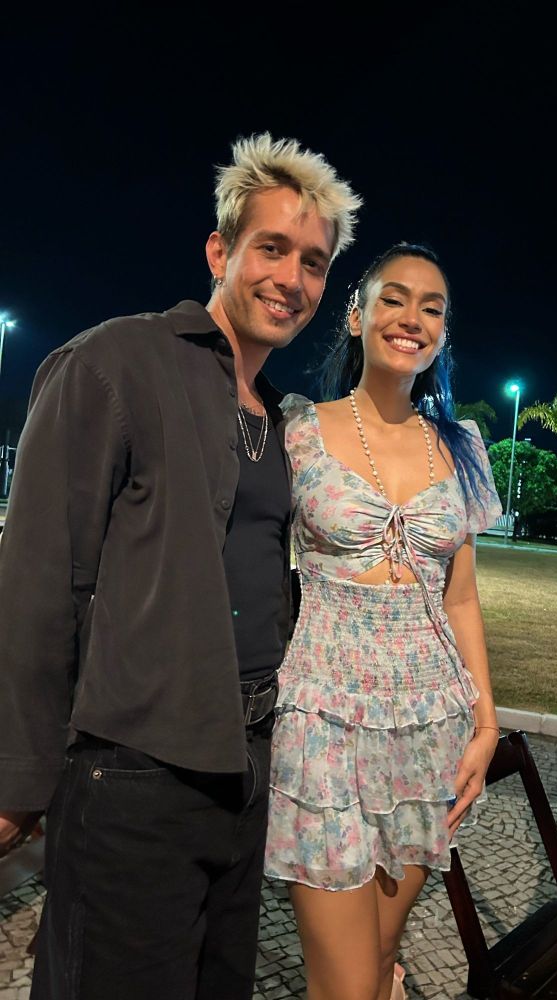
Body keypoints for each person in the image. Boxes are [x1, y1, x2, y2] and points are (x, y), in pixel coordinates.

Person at [0, 133, 361, 999]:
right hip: (134, 773)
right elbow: (36, 583)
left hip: (246, 773)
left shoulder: (279, 417)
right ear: (219, 251)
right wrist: (17, 779)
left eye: (313, 263)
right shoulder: (116, 362)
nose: (291, 279)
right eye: (271, 248)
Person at [264, 243, 504, 1000]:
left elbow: (460, 597)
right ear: (357, 315)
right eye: (394, 299)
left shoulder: (462, 446)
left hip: (431, 722)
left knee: (377, 958)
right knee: (343, 983)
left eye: (432, 308)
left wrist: (485, 721)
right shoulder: (297, 430)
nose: (412, 319)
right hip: (324, 720)